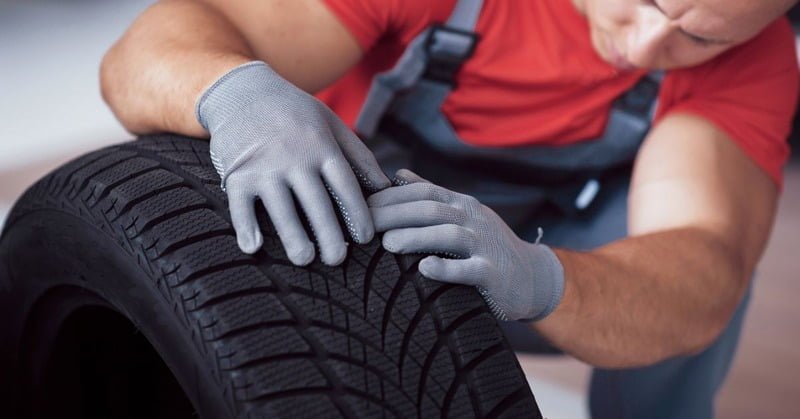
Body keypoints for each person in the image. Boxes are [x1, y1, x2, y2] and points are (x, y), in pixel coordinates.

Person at [100, 0, 799, 417]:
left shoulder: (757, 62)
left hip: (535, 268)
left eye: (704, 37)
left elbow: (698, 258)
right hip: (347, 237)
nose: (647, 45)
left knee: (710, 276)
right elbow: (152, 48)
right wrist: (238, 97)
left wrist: (539, 276)